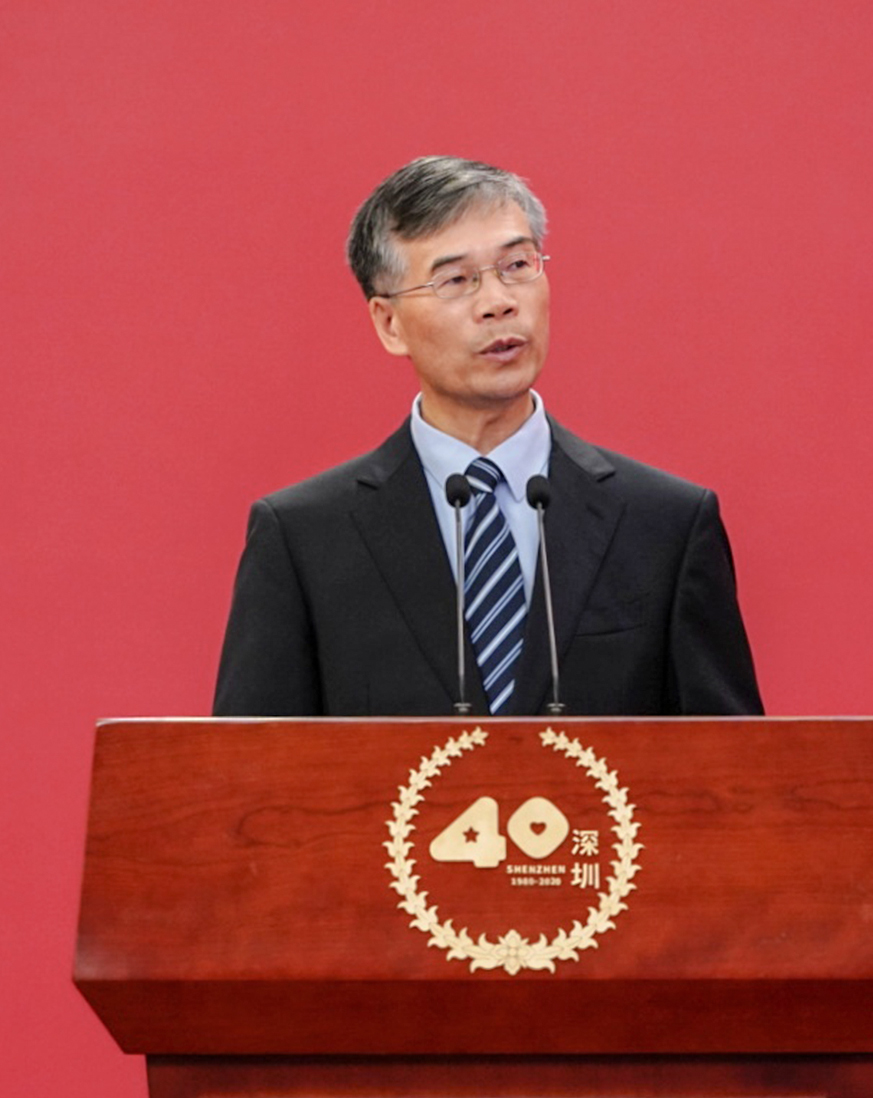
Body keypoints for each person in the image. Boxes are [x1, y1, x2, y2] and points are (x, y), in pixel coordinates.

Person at [213, 156, 762, 717]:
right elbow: (248, 764)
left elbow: (732, 762)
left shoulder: (665, 525)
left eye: (517, 265)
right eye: (456, 280)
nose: (499, 301)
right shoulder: (304, 539)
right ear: (389, 323)